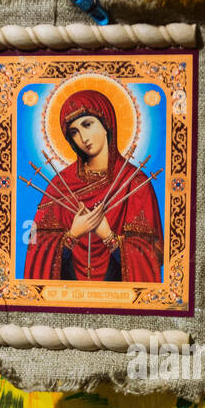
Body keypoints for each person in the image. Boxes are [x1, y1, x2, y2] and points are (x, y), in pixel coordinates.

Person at [25, 89, 163, 282]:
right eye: (74, 132)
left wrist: (107, 235)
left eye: (87, 125)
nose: (83, 138)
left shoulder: (135, 182)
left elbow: (149, 257)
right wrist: (74, 234)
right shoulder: (60, 185)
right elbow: (36, 249)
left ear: (106, 123)